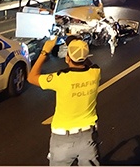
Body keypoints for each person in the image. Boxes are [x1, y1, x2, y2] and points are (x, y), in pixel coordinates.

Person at [27, 37, 102, 166]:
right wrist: (78, 48)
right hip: (88, 138)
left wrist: (45, 51)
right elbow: (88, 64)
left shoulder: (61, 78)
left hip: (62, 140)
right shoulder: (95, 73)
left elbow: (31, 77)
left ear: (67, 58)